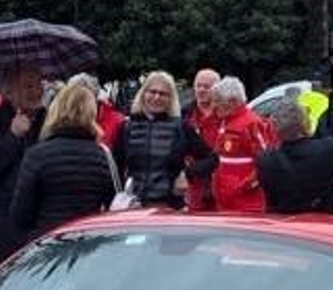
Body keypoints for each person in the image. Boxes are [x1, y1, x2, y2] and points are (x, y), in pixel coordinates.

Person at [10, 83, 115, 238]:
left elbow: (20, 215)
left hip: (48, 241)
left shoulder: (37, 155)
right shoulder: (102, 155)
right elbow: (111, 204)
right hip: (87, 240)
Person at [0, 65, 45, 269]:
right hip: (4, 228)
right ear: (8, 91)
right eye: (29, 86)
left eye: (39, 84)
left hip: (41, 223)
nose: (37, 91)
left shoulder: (48, 119)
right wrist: (13, 135)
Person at [112, 70, 216, 209]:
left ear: (170, 98)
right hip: (133, 207)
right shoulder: (127, 128)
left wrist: (188, 174)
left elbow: (212, 159)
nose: (157, 97)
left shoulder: (182, 127)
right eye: (152, 92)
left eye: (163, 94)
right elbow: (115, 170)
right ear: (143, 94)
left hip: (170, 208)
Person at [257, 95, 333, 214]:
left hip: (286, 229)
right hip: (328, 228)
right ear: (306, 122)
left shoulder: (266, 162)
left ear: (275, 129)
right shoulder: (328, 150)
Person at [202, 77, 274, 213]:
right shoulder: (225, 121)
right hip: (225, 202)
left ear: (233, 102)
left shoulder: (252, 124)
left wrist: (244, 187)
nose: (214, 105)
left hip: (247, 204)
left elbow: (267, 162)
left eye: (217, 101)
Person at [184, 68, 221, 210]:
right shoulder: (185, 116)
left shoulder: (226, 115)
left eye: (207, 86)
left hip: (222, 185)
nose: (201, 90)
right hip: (194, 186)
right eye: (198, 86)